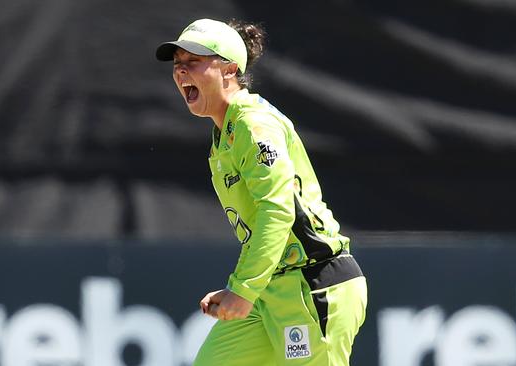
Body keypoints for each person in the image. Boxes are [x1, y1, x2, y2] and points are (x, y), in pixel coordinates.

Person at [155, 18, 367, 365]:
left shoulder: (253, 123)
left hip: (313, 284)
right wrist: (242, 288)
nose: (181, 72)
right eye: (177, 65)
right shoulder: (223, 137)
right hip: (273, 289)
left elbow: (277, 210)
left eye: (193, 62)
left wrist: (244, 289)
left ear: (229, 69)